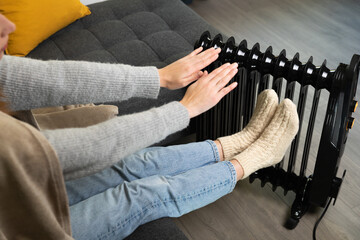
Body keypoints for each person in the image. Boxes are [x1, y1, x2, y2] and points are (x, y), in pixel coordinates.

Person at [0, 13, 299, 240]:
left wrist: (160, 77)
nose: (8, 26)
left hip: (14, 190)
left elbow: (44, 79)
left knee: (135, 163)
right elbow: (70, 153)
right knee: (142, 195)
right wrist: (184, 109)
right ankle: (254, 158)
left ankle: (239, 141)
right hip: (17, 228)